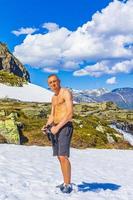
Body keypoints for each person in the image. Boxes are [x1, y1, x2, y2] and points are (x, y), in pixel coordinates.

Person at [42, 74, 74, 194]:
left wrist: (58, 127)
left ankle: (68, 184)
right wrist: (47, 126)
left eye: (54, 81)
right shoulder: (53, 98)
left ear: (59, 81)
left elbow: (70, 114)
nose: (53, 84)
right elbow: (52, 115)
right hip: (55, 127)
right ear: (48, 85)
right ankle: (65, 181)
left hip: (65, 127)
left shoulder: (66, 93)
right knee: (60, 158)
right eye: (50, 83)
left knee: (63, 156)